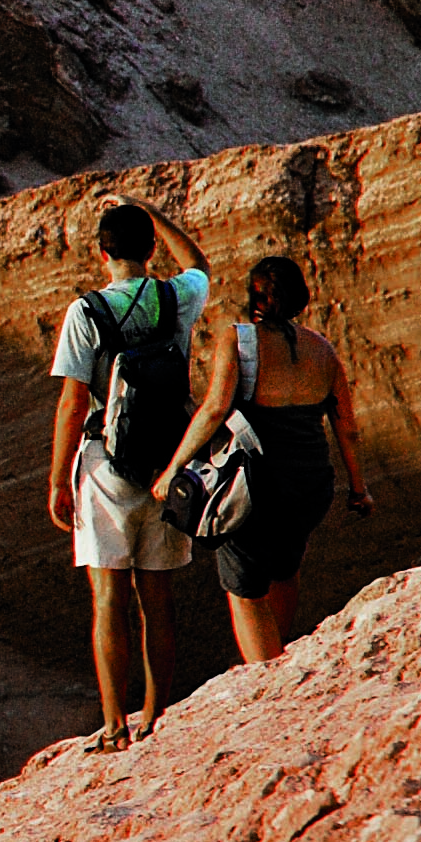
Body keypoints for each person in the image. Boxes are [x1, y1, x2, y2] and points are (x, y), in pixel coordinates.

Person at [46, 199, 209, 746]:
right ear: (150, 249)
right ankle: (153, 717)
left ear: (102, 253)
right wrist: (156, 214)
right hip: (168, 463)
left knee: (109, 599)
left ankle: (114, 725)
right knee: (158, 598)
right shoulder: (177, 296)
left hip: (105, 467)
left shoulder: (85, 312)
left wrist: (55, 482)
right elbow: (200, 266)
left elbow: (72, 402)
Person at [156, 253, 373, 663]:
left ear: (253, 297)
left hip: (255, 485)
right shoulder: (323, 350)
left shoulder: (238, 340)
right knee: (285, 569)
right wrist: (359, 489)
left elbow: (215, 408)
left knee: (245, 589)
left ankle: (265, 676)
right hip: (310, 486)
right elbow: (348, 428)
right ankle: (278, 658)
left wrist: (173, 469)